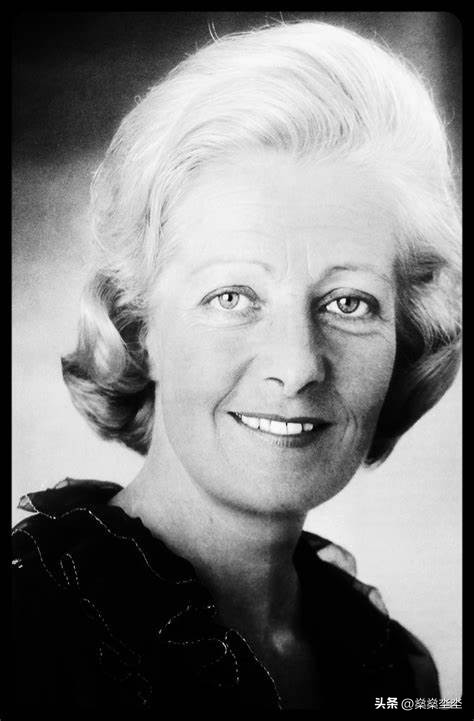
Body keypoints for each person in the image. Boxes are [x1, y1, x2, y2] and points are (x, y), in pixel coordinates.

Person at [12, 20, 461, 712]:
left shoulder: (399, 672)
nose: (298, 365)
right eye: (233, 296)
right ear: (138, 328)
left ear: (406, 336)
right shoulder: (23, 636)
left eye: (348, 302)